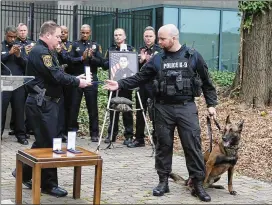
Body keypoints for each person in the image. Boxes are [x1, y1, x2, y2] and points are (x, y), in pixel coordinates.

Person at [103, 24, 217, 202]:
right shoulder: (157, 59)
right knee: (163, 145)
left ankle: (197, 184)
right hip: (162, 108)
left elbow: (207, 82)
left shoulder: (193, 56)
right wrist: (120, 84)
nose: (159, 41)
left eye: (163, 38)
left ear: (174, 38)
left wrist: (211, 104)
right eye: (159, 38)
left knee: (192, 146)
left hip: (186, 106)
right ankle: (163, 182)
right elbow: (140, 77)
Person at [12, 21, 92, 197]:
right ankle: (48, 184)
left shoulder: (47, 50)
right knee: (50, 144)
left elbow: (56, 73)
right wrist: (79, 81)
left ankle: (23, 172)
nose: (59, 40)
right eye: (57, 36)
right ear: (47, 35)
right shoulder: (41, 52)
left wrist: (74, 77)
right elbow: (56, 75)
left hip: (48, 104)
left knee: (43, 140)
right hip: (42, 104)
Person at [68, 24, 103, 142]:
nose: (85, 35)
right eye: (83, 32)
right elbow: (69, 60)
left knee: (92, 107)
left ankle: (94, 133)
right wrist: (81, 59)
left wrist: (92, 58)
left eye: (87, 33)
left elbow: (102, 62)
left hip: (91, 78)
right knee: (74, 107)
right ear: (80, 32)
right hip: (78, 78)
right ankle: (72, 131)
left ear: (90, 33)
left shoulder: (96, 45)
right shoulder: (74, 45)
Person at [128, 26, 162, 148]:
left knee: (155, 113)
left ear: (155, 37)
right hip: (142, 85)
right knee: (140, 112)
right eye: (146, 36)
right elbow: (133, 69)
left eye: (150, 36)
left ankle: (156, 139)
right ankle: (139, 139)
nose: (148, 39)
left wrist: (149, 61)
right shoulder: (140, 50)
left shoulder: (159, 50)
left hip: (154, 85)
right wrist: (141, 61)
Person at [102, 28, 136, 145]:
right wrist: (113, 59)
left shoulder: (131, 49)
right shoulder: (110, 49)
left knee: (127, 111)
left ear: (125, 36)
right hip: (113, 84)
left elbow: (134, 64)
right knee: (113, 110)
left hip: (126, 85)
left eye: (120, 35)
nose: (118, 37)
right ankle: (111, 135)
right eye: (116, 35)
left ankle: (129, 136)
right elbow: (104, 65)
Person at [1, 25, 29, 145]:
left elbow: (26, 63)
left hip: (18, 82)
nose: (12, 39)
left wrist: (18, 56)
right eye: (10, 37)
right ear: (5, 35)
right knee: (2, 109)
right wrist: (9, 53)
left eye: (14, 37)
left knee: (19, 109)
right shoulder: (1, 45)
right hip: (5, 82)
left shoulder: (20, 46)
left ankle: (21, 135)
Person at [55, 25, 73, 142]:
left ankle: (66, 132)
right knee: (58, 107)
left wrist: (61, 52)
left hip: (67, 80)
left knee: (67, 107)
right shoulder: (52, 45)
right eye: (60, 32)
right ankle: (58, 133)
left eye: (65, 32)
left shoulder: (71, 45)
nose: (62, 34)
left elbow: (71, 61)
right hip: (56, 80)